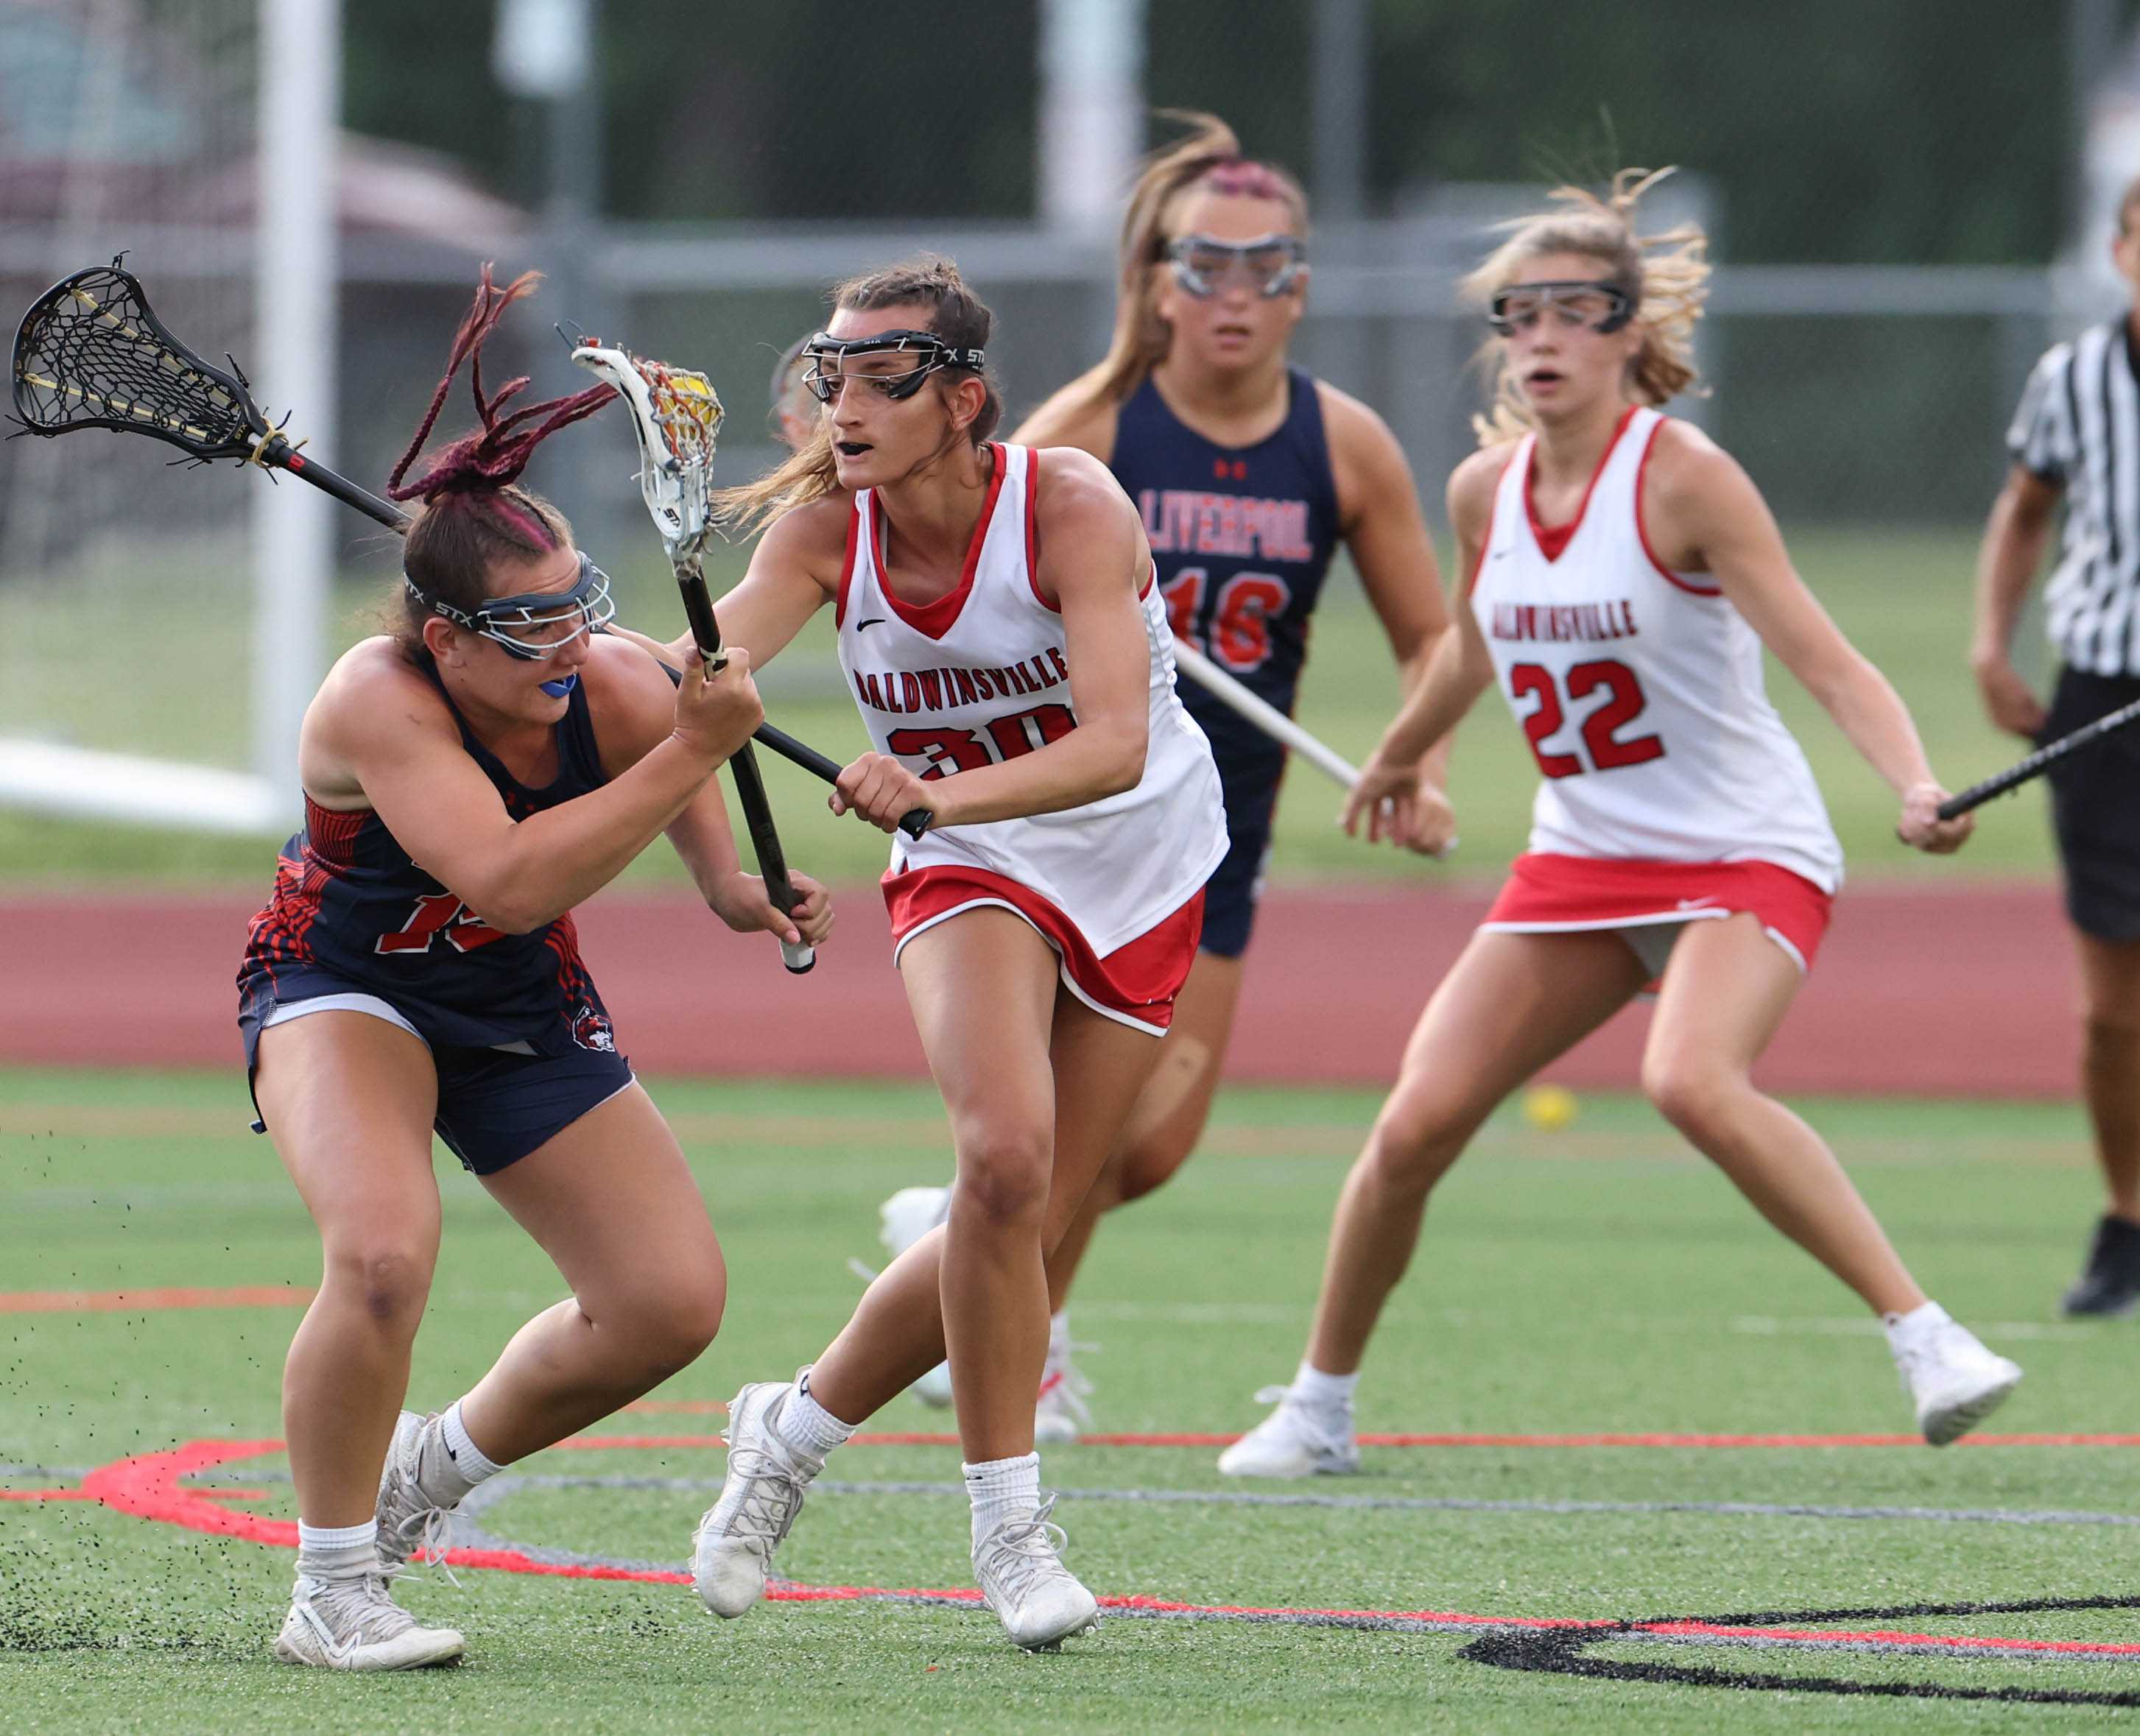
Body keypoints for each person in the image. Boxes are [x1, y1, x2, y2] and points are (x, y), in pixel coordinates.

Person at [1217, 172, 2024, 1480]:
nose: (1537, 335)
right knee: (1415, 1123)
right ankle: (1318, 1405)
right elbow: (1473, 651)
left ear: (1627, 335)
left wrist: (1912, 782)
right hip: (1584, 851)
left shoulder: (1686, 479)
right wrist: (1398, 756)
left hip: (1738, 846)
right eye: (1515, 311)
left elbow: (1827, 662)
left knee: (1689, 1080)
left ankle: (1926, 1336)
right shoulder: (1486, 490)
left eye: (1572, 311)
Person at [239, 270, 831, 1669]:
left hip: (510, 999)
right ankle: (329, 1590)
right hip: (345, 985)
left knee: (669, 1304)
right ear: (443, 637)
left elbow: (650, 744)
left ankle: (420, 1480)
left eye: (581, 607)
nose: (572, 645)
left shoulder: (602, 675)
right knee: (382, 1256)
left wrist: (727, 882)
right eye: (530, 628)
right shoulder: (373, 700)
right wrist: (698, 745)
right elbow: (508, 876)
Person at [876, 113, 1455, 1441]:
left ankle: (964, 1246)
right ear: (1153, 281)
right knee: (1073, 1135)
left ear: (1302, 284)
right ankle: (1022, 1353)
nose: (1234, 297)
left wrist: (1409, 755)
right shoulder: (1090, 432)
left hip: (1214, 830)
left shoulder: (1343, 443)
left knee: (1151, 1144)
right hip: (1067, 819)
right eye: (1205, 267)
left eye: (1267, 268)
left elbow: (1432, 638)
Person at [683, 258, 1227, 1650]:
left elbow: (1110, 744)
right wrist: (614, 664)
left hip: (1139, 864)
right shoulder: (816, 538)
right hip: (970, 875)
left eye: (883, 380)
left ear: (962, 400)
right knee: (1000, 1162)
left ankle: (786, 1430)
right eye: (832, 377)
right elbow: (682, 701)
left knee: (1022, 1228)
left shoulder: (1068, 507)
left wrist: (934, 787)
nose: (844, 405)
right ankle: (1009, 1525)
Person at [1974, 172, 2140, 1316]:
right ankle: (2127, 1217)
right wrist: (1992, 641)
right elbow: (2025, 508)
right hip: (2100, 700)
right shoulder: (2071, 380)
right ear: (2121, 250)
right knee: (2110, 1008)